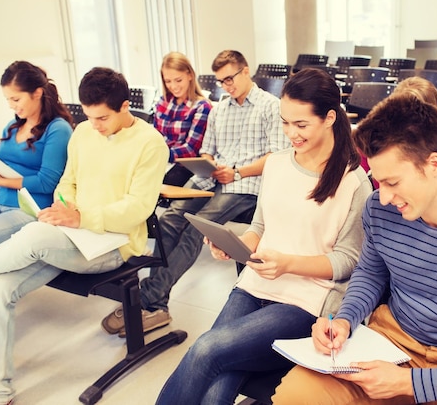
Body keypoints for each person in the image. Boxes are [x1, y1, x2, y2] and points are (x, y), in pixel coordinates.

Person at [272, 93, 437, 404]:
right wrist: (344, 319)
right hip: (392, 340)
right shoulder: (379, 208)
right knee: (295, 396)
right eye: (379, 181)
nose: (383, 197)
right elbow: (371, 274)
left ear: (434, 165)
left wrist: (409, 382)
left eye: (393, 182)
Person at [155, 67, 373, 404]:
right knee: (222, 370)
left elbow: (348, 262)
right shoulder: (276, 164)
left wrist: (289, 264)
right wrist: (238, 247)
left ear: (330, 118)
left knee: (207, 348)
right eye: (285, 122)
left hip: (305, 300)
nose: (291, 133)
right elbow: (260, 227)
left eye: (301, 125)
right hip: (256, 284)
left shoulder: (353, 182)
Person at [0, 67, 168, 405]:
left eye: (102, 118)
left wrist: (81, 218)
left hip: (114, 244)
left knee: (34, 234)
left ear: (125, 106)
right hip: (71, 238)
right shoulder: (82, 132)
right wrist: (64, 210)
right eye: (90, 116)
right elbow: (67, 181)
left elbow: (137, 208)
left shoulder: (150, 143)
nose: (94, 125)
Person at [101, 49, 289, 337]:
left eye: (230, 78)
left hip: (246, 185)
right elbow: (206, 149)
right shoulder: (220, 108)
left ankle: (146, 298)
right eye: (221, 81)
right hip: (211, 180)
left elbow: (276, 157)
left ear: (246, 71)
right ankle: (157, 307)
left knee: (195, 230)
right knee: (168, 220)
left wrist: (237, 171)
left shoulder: (270, 106)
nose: (226, 86)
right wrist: (208, 163)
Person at [0, 60, 73, 255]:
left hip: (29, 210)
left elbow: (47, 183)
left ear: (37, 93)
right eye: (8, 100)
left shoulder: (58, 129)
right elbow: (4, 165)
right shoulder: (12, 126)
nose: (11, 106)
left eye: (16, 99)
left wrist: (0, 180)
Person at [154, 51, 212, 187]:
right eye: (168, 81)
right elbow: (155, 137)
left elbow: (190, 150)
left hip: (183, 165)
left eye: (178, 80)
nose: (173, 86)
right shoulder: (163, 102)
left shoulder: (202, 107)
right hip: (161, 160)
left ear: (190, 75)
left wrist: (159, 154)